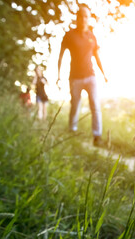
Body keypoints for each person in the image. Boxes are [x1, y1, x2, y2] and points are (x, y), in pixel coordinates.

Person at [57, 3, 108, 146]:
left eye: (86, 16)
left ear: (89, 18)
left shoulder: (92, 36)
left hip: (91, 76)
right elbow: (61, 56)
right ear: (77, 17)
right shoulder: (69, 35)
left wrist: (104, 74)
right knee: (75, 105)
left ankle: (97, 136)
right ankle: (72, 131)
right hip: (75, 77)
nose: (83, 19)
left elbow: (97, 57)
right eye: (81, 16)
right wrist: (58, 76)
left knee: (95, 105)